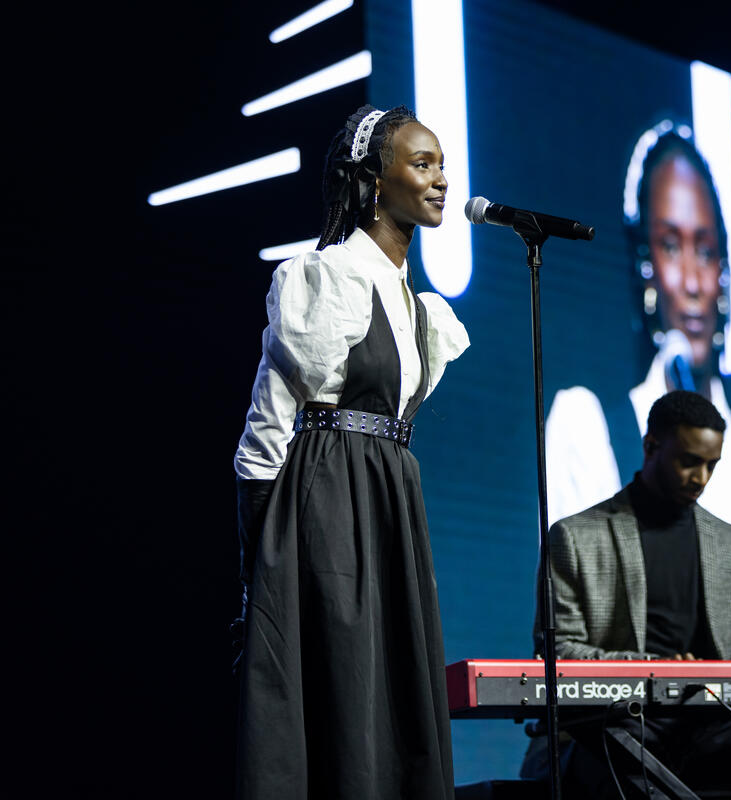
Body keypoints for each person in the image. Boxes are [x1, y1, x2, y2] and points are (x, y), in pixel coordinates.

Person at [231, 103, 469, 800]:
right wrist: (262, 567)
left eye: (442, 165)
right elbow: (269, 426)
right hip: (326, 506)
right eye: (421, 165)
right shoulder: (324, 278)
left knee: (394, 698)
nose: (439, 180)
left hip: (391, 500)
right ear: (372, 181)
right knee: (338, 700)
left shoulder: (421, 308)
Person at [544, 120, 731, 662]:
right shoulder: (585, 427)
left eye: (707, 250)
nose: (695, 283)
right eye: (672, 246)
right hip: (621, 734)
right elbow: (574, 632)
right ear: (645, 265)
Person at [523, 391, 731, 799]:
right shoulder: (575, 537)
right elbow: (558, 652)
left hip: (710, 730)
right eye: (689, 461)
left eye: (711, 465)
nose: (700, 477)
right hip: (611, 727)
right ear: (651, 446)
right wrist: (657, 668)